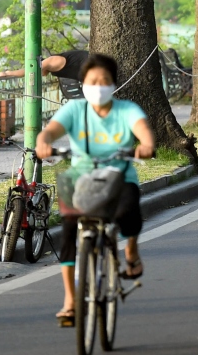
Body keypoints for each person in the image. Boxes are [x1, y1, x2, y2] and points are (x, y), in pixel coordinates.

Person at [36, 54, 156, 326]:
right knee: (68, 228)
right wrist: (44, 141)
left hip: (119, 175)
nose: (98, 86)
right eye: (92, 81)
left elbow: (144, 131)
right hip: (81, 177)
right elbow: (51, 131)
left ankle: (131, 253)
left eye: (104, 81)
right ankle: (69, 300)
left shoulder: (126, 109)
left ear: (113, 83)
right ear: (83, 83)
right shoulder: (75, 110)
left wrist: (146, 145)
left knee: (129, 212)